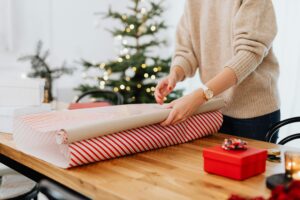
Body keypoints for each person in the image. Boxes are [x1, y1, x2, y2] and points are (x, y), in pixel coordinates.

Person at [155, 0, 280, 143]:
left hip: (254, 116)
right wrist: (175, 74)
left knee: (251, 165)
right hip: (215, 112)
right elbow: (186, 48)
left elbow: (249, 54)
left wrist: (200, 96)